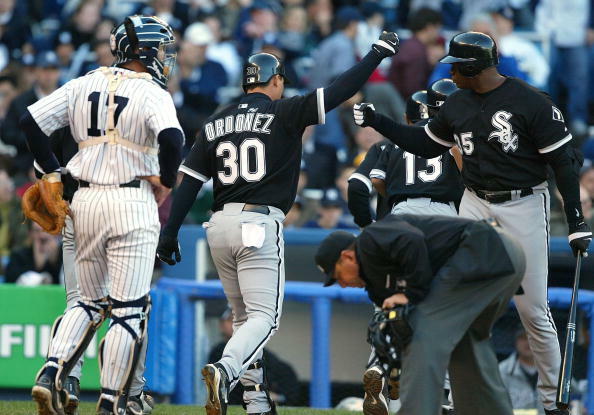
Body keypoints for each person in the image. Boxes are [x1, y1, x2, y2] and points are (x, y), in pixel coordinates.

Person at [155, 31, 400, 415]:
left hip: (218, 226)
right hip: (257, 223)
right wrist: (376, 54)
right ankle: (226, 369)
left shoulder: (217, 120)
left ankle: (255, 401)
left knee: (243, 320)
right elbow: (338, 90)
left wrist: (169, 232)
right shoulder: (283, 111)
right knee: (264, 320)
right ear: (275, 81)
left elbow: (189, 184)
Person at [352, 31, 592, 415]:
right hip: (474, 202)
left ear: (472, 68)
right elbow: (427, 144)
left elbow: (564, 163)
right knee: (449, 300)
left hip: (524, 203)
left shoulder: (530, 101)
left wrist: (577, 220)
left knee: (533, 311)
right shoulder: (459, 102)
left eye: (456, 67)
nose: (451, 73)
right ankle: (449, 397)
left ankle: (552, 404)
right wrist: (380, 122)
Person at [20, 15, 184, 415]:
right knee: (128, 309)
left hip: (84, 201)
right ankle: (111, 402)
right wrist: (165, 177)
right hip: (131, 201)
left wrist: (52, 170)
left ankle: (52, 371)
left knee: (86, 304)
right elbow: (173, 139)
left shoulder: (84, 81)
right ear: (144, 51)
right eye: (161, 49)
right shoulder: (151, 92)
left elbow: (30, 120)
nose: (166, 56)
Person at [315, 214, 526, 415]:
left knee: (423, 333)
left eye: (337, 276)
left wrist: (412, 293)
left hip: (484, 249)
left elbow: (411, 239)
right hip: (501, 255)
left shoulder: (369, 240)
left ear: (347, 256)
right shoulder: (375, 284)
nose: (341, 284)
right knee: (466, 344)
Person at [30, 127, 155, 414]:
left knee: (79, 302)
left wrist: (56, 191)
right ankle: (130, 394)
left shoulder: (74, 113)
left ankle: (63, 377)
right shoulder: (133, 110)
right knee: (131, 307)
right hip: (124, 212)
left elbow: (42, 167)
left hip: (79, 211)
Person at [370, 79, 463, 218]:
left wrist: (397, 195)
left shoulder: (401, 136)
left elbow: (377, 180)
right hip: (440, 209)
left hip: (402, 209)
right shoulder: (454, 135)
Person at [499, 328, 542, 412]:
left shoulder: (555, 370)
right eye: (523, 338)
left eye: (532, 338)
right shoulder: (502, 371)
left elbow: (574, 395)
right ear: (516, 342)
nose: (527, 342)